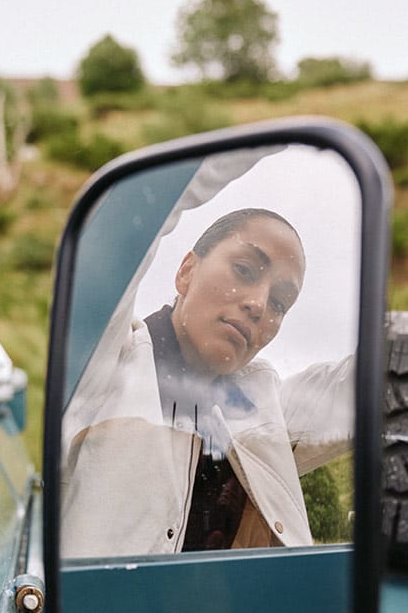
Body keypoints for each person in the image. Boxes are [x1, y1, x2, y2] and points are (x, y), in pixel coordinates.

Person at [61, 207, 354, 559]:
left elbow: (385, 377)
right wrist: (256, 148)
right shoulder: (105, 360)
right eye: (244, 270)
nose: (259, 304)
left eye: (279, 302)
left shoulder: (264, 411)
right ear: (186, 272)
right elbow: (127, 226)